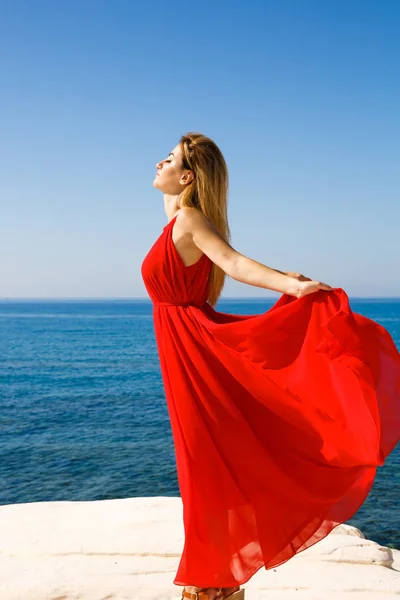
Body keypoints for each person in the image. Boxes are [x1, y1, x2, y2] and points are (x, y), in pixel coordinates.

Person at [141, 132, 400, 600]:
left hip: (193, 348)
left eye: (170, 158)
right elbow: (192, 222)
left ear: (188, 176)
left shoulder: (191, 219)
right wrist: (182, 179)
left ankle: (213, 582)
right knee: (204, 458)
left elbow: (233, 262)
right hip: (183, 346)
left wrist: (291, 285)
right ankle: (217, 578)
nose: (157, 162)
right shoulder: (179, 215)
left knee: (205, 460)